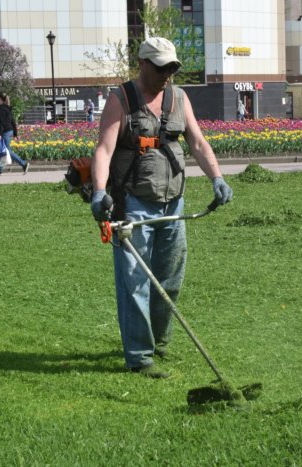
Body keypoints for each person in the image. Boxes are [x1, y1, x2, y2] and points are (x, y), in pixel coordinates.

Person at [90, 37, 233, 378]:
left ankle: (158, 341)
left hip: (174, 203)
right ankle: (140, 357)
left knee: (169, 278)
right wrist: (98, 192)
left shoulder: (179, 98)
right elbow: (104, 150)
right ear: (142, 64)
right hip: (133, 204)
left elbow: (197, 141)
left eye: (172, 67)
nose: (167, 74)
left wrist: (217, 178)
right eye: (161, 67)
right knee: (136, 281)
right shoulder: (121, 99)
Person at [0, 92, 29, 175]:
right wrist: (15, 133)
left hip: (5, 132)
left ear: (0, 99)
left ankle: (24, 164)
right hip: (9, 131)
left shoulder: (0, 109)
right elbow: (12, 121)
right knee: (1, 149)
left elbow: (1, 122)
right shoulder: (7, 108)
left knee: (6, 151)